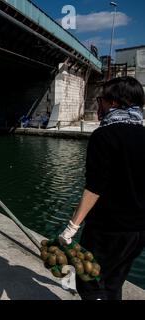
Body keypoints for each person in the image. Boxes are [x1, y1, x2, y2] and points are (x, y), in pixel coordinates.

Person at [58, 76, 145, 300]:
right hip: (137, 232)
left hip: (107, 230)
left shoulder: (104, 136)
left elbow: (94, 188)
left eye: (101, 99)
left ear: (114, 103)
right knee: (114, 282)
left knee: (90, 283)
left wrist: (71, 228)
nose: (99, 105)